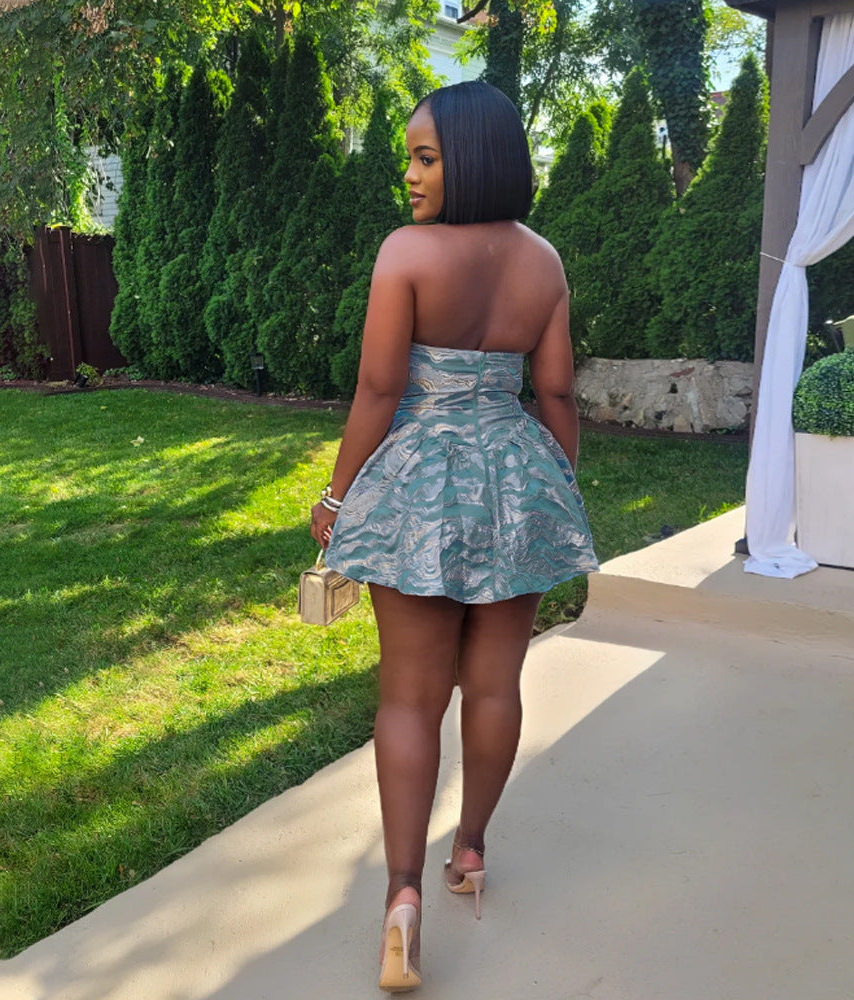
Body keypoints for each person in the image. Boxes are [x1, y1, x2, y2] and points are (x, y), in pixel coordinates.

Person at [309, 80, 598, 993]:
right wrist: (557, 483)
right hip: (517, 477)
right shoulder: (543, 262)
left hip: (420, 485)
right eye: (410, 158)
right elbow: (556, 391)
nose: (409, 174)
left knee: (408, 699)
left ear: (471, 159)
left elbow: (379, 389)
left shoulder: (407, 254)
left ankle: (402, 897)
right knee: (497, 684)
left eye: (425, 157)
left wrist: (337, 495)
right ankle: (469, 851)